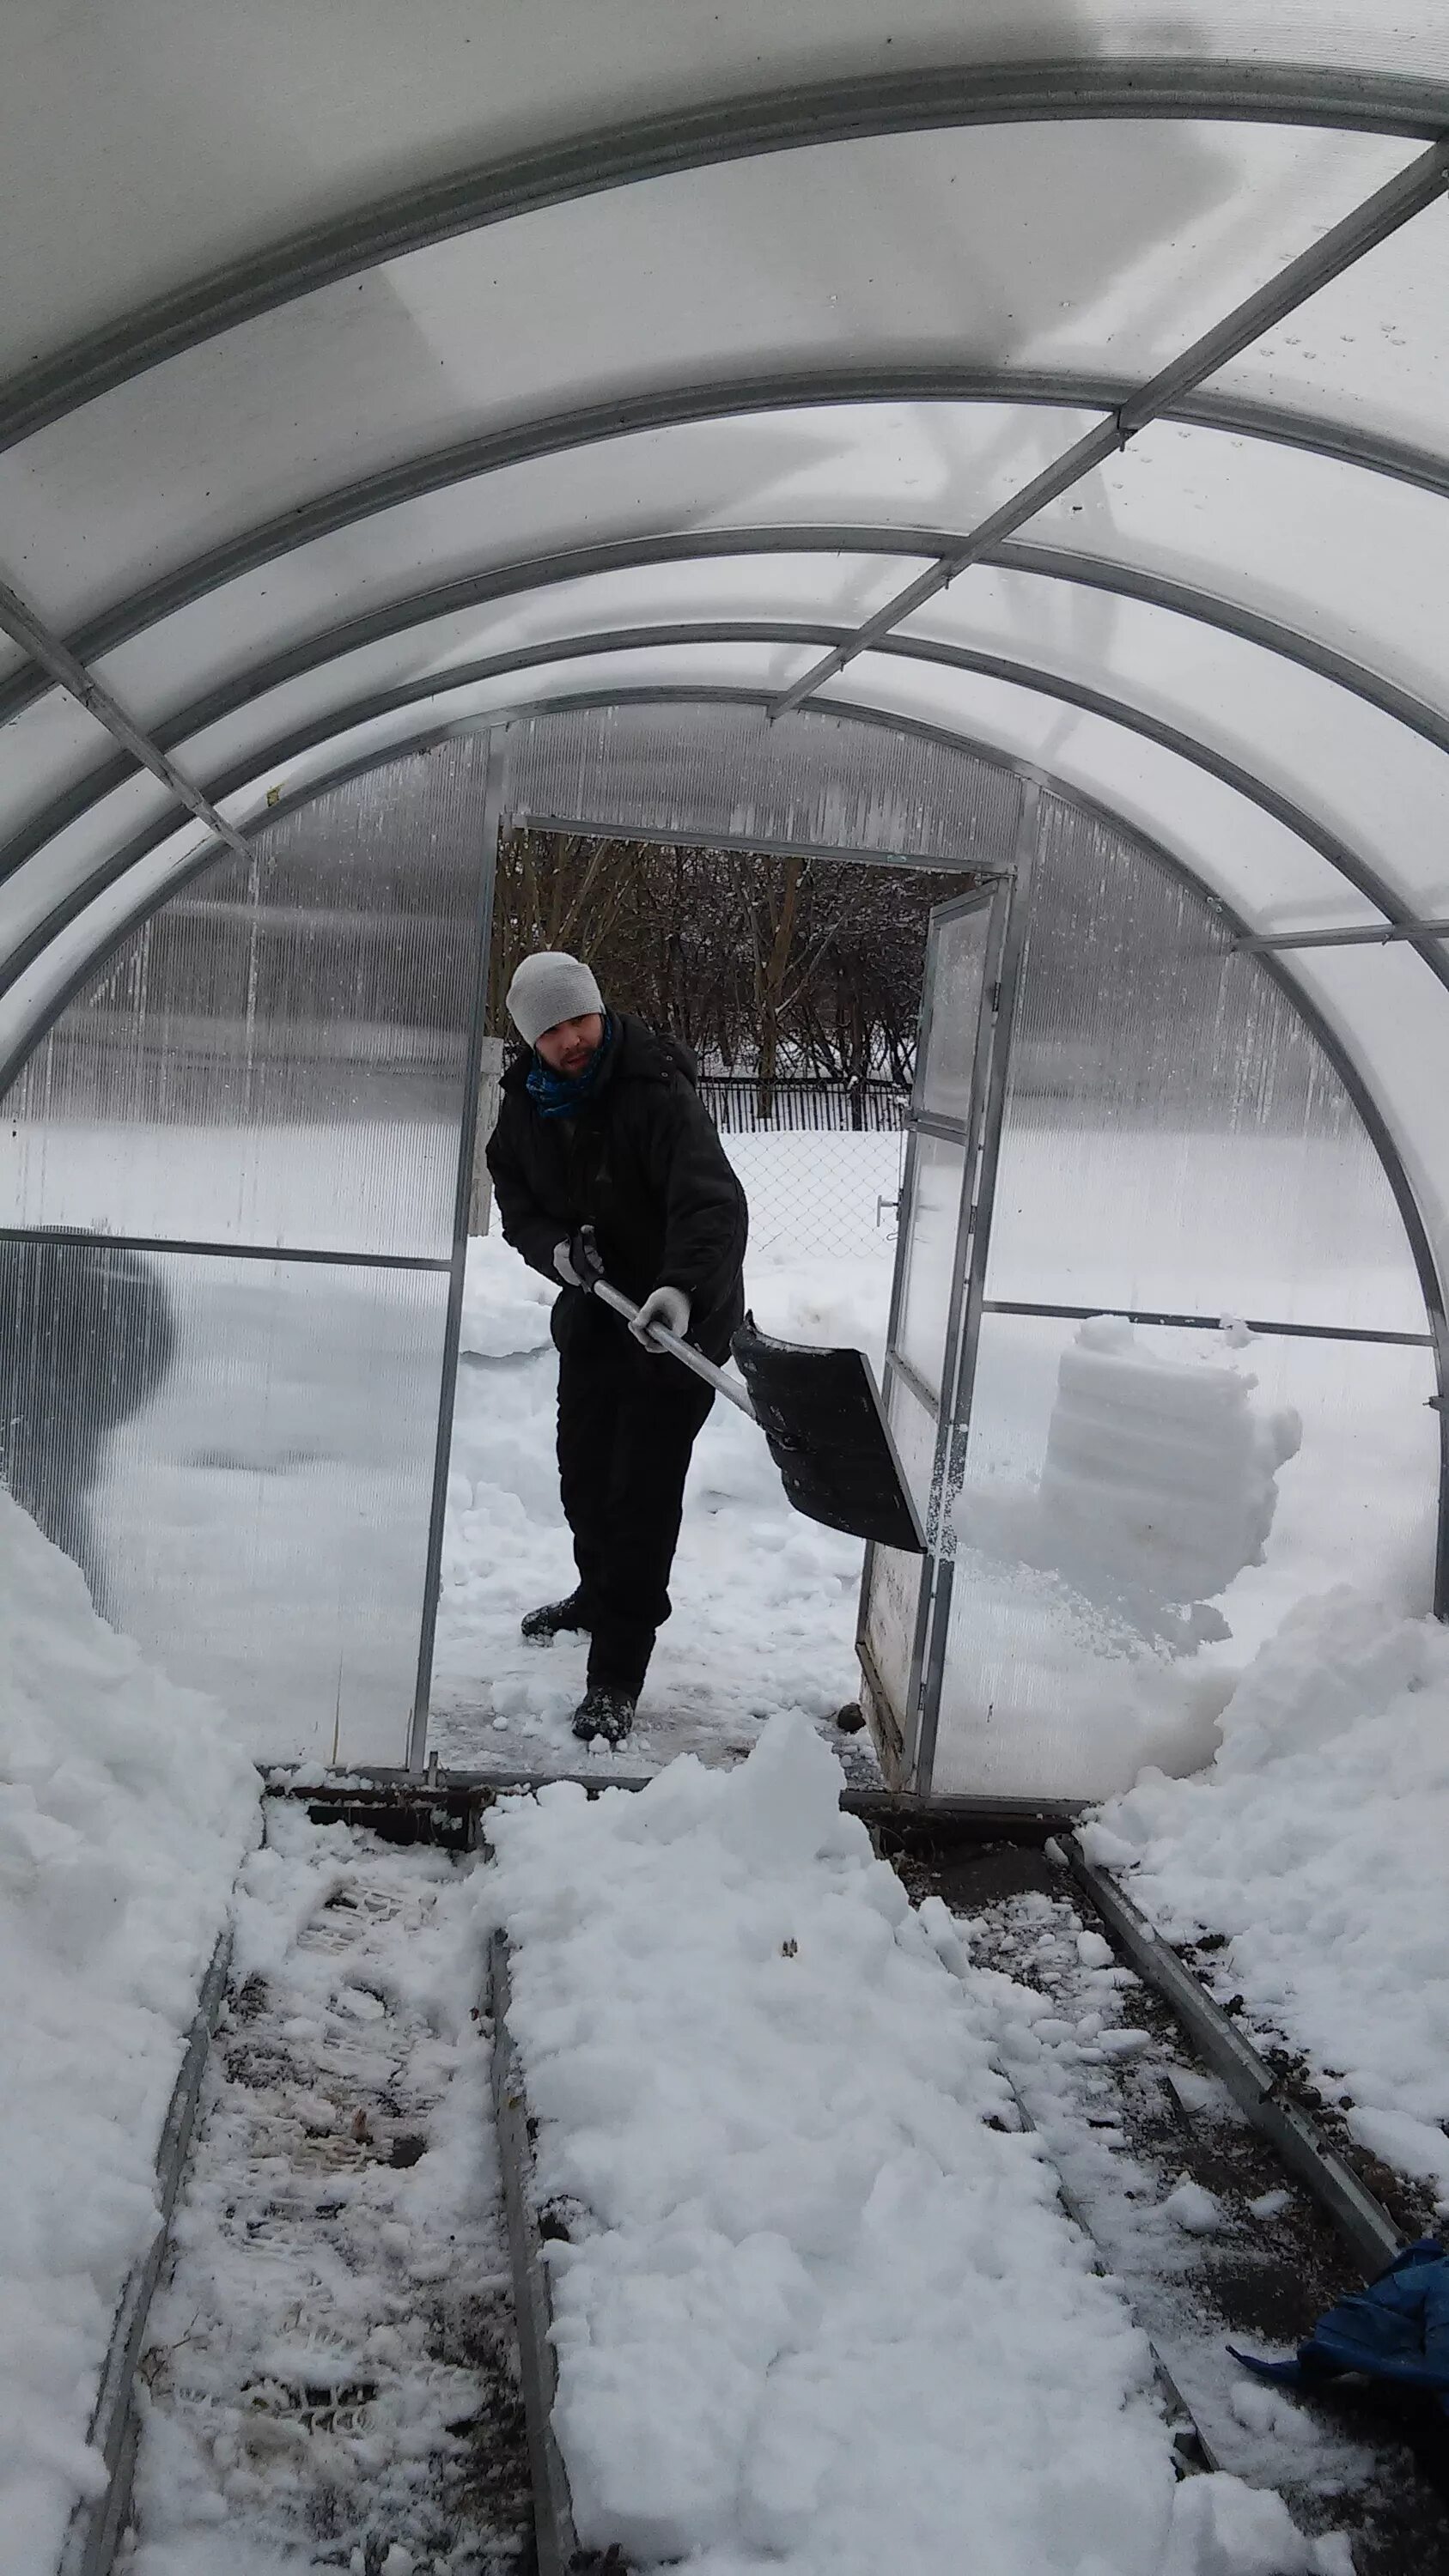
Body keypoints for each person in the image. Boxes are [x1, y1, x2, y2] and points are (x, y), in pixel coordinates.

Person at [486, 951, 748, 1746]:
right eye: (553, 1028)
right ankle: (596, 1594)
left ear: (600, 1010)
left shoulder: (655, 1090)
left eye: (580, 1019)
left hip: (675, 1329)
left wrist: (680, 1289)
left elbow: (712, 1207)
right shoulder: (524, 1109)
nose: (572, 1038)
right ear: (532, 1039)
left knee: (638, 1500)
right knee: (584, 1478)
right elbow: (517, 1202)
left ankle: (616, 1673)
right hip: (599, 1319)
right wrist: (557, 1253)